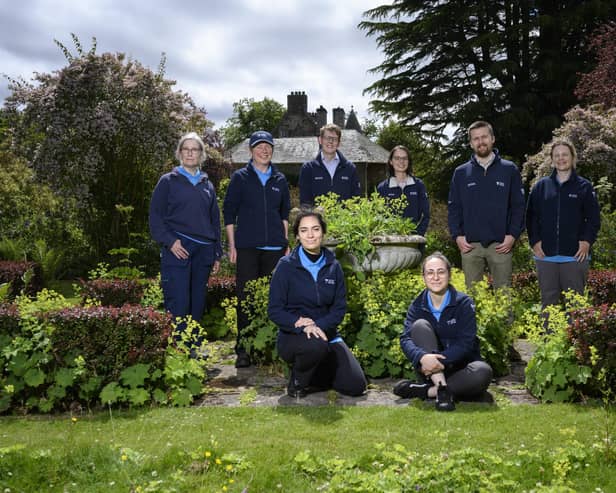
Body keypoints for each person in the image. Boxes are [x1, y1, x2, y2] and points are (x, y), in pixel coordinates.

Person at [268, 210, 367, 398]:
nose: (310, 235)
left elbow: (339, 309)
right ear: (297, 236)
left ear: (323, 232)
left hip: (326, 334)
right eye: (304, 231)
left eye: (315, 229)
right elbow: (274, 310)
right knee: (316, 346)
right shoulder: (286, 266)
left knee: (356, 386)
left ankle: (316, 375)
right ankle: (298, 381)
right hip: (293, 336)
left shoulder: (333, 266)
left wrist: (318, 326)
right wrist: (299, 323)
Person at [149, 132, 221, 357]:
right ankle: (179, 351)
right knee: (179, 300)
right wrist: (170, 241)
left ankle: (194, 346)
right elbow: (155, 217)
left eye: (195, 149)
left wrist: (217, 252)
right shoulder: (167, 181)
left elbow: (214, 220)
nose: (190, 153)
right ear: (180, 153)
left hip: (204, 251)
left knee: (197, 300)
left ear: (201, 154)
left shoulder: (207, 184)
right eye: (186, 149)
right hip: (178, 249)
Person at [223, 130, 291, 368]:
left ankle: (270, 345)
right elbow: (229, 213)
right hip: (248, 248)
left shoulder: (280, 180)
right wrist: (232, 245)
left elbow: (284, 215)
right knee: (246, 299)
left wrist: (286, 244)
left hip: (274, 248)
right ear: (251, 151)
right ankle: (244, 348)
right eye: (260, 146)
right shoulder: (240, 178)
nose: (265, 150)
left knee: (274, 298)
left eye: (268, 146)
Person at [395, 252, 493, 411]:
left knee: (483, 372)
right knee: (419, 325)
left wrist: (439, 361)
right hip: (429, 370)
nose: (435, 277)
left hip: (460, 370)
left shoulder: (464, 303)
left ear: (449, 274)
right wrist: (422, 357)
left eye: (441, 272)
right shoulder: (417, 305)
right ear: (424, 277)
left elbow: (466, 343)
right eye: (430, 272)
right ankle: (443, 389)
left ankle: (428, 391)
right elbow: (405, 339)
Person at [448, 121, 525, 290]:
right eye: (476, 139)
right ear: (470, 143)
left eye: (484, 137)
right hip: (470, 245)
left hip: (501, 245)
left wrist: (512, 235)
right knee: (473, 297)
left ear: (492, 139)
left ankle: (504, 319)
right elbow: (454, 207)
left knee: (503, 297)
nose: (480, 141)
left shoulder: (509, 169)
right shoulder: (461, 173)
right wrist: (457, 236)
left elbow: (518, 206)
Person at [526, 140, 600, 310]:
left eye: (565, 154)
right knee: (548, 304)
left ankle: (574, 338)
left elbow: (594, 219)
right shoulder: (541, 187)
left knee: (575, 304)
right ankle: (548, 337)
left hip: (575, 256)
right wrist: (535, 242)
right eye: (557, 155)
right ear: (552, 160)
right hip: (545, 256)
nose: (561, 158)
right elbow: (531, 217)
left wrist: (586, 241)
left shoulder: (584, 187)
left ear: (573, 158)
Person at [298, 123, 361, 207]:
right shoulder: (308, 168)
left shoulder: (350, 168)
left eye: (334, 139)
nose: (330, 142)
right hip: (318, 219)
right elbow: (305, 202)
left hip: (344, 219)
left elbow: (356, 199)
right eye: (327, 138)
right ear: (320, 140)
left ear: (338, 143)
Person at [376, 145, 430, 236]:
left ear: (409, 161)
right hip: (391, 241)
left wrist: (417, 235)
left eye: (405, 158)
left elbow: (425, 215)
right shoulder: (382, 188)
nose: (401, 161)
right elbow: (379, 216)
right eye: (397, 158)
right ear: (391, 162)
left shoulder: (418, 185)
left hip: (415, 241)